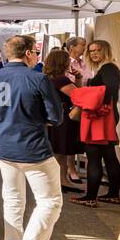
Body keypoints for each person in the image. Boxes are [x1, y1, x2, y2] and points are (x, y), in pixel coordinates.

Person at [0, 35, 63, 240]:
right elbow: (55, 117)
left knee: (13, 200)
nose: (37, 56)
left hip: (5, 147)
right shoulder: (38, 78)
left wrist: (7, 121)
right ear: (27, 53)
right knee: (50, 200)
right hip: (33, 147)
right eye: (35, 52)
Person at [74, 39, 120, 207]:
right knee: (109, 156)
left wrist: (89, 94)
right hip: (104, 117)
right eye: (91, 50)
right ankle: (113, 194)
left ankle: (90, 197)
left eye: (97, 50)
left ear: (106, 51)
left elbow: (108, 91)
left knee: (94, 156)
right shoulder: (108, 68)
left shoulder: (108, 68)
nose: (94, 53)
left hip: (100, 118)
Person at [42, 49, 84, 192]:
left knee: (58, 152)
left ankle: (62, 180)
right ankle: (61, 181)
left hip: (54, 117)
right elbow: (79, 96)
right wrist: (79, 80)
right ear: (62, 63)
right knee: (61, 151)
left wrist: (77, 79)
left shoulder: (47, 77)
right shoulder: (61, 80)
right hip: (63, 118)